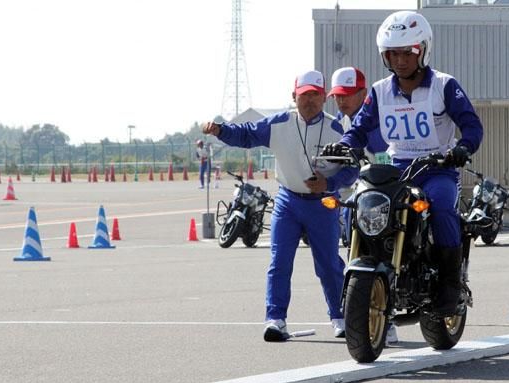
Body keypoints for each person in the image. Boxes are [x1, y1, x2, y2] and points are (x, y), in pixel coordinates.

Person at [323, 11, 484, 317]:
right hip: (397, 168)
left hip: (437, 167)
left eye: (407, 52)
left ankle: (450, 284)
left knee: (441, 206)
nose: (400, 60)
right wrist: (343, 146)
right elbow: (358, 129)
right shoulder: (380, 91)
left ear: (422, 50)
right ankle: (369, 264)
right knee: (361, 203)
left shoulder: (445, 85)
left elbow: (472, 127)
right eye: (392, 53)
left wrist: (462, 148)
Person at [203, 70, 359, 342]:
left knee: (328, 264)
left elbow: (352, 169)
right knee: (279, 261)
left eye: (315, 95)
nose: (309, 101)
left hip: (323, 203)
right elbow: (247, 134)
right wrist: (221, 130)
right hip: (288, 201)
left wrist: (329, 184)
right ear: (293, 96)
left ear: (324, 98)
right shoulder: (280, 123)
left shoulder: (337, 129)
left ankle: (340, 317)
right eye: (303, 95)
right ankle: (275, 319)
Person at [327, 66, 399, 344]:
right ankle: (365, 315)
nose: (341, 101)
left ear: (363, 94)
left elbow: (386, 160)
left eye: (347, 95)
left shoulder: (376, 123)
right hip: (361, 199)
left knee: (386, 253)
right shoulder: (344, 123)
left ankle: (388, 318)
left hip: (383, 197)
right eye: (337, 96)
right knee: (356, 250)